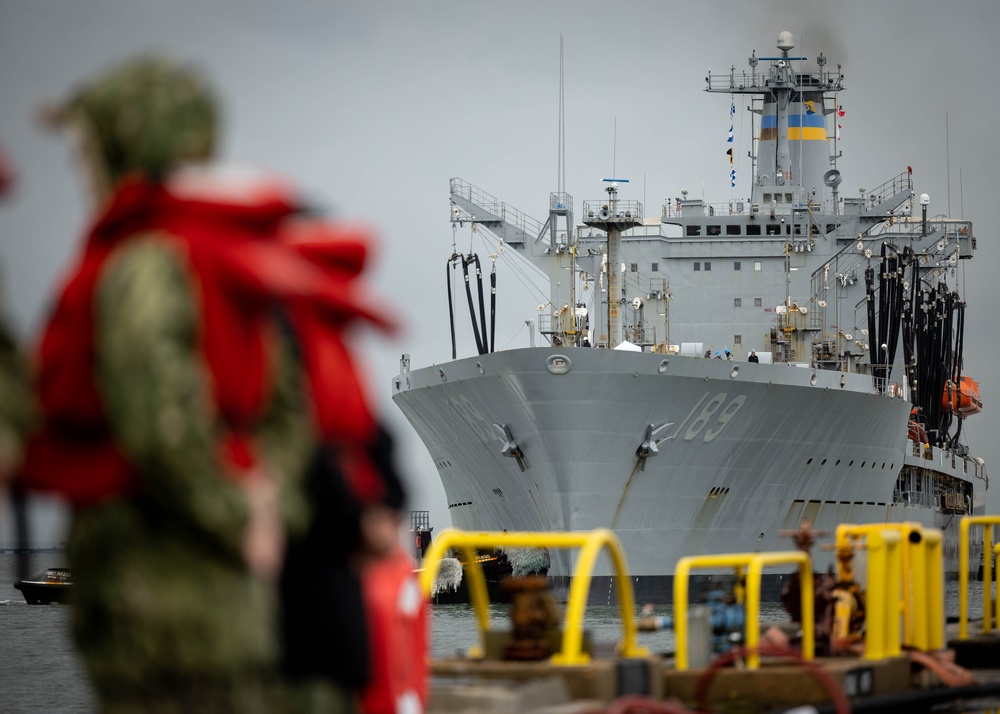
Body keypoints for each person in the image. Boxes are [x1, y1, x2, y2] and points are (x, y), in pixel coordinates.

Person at [19, 56, 393, 713]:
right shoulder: (236, 265)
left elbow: (157, 420)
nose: (83, 172)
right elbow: (291, 405)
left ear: (127, 146)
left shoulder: (143, 263)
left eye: (89, 152)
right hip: (236, 602)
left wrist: (234, 510)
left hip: (158, 590)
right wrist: (267, 497)